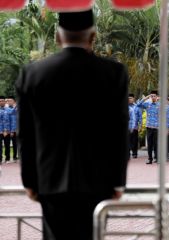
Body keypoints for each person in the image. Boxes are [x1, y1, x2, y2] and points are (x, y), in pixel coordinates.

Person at [16, 10, 129, 240]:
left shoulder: (33, 74)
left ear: (57, 37)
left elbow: (26, 134)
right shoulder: (113, 74)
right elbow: (119, 132)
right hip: (99, 179)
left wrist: (29, 180)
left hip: (50, 179)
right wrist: (118, 181)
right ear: (93, 36)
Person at [137, 90, 160, 164]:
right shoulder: (147, 104)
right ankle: (150, 159)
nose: (153, 97)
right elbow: (138, 104)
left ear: (157, 97)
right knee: (149, 144)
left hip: (156, 127)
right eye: (152, 96)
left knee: (156, 144)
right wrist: (146, 98)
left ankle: (157, 158)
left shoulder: (160, 105)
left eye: (154, 96)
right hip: (149, 127)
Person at [5, 96, 18, 161]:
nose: (9, 102)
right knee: (7, 144)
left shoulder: (16, 109)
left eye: (11, 101)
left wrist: (13, 130)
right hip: (7, 130)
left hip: (15, 129)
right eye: (8, 101)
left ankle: (15, 157)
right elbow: (11, 112)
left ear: (14, 101)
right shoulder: (6, 109)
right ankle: (7, 158)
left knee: (15, 144)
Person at [0, 96, 10, 163]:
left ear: (5, 102)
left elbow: (11, 120)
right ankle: (0, 159)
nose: (1, 102)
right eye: (0, 101)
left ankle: (7, 158)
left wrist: (7, 130)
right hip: (0, 131)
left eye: (2, 101)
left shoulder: (8, 110)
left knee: (7, 145)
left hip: (7, 131)